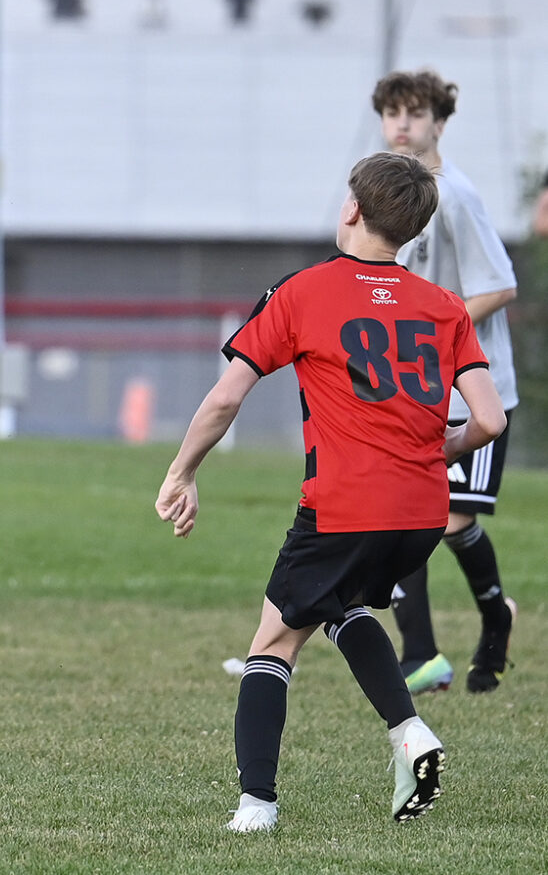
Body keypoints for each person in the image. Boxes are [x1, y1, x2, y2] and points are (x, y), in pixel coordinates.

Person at [155, 151, 505, 833]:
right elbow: (489, 420)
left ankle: (256, 805)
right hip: (421, 514)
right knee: (341, 605)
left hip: (345, 506)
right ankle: (407, 731)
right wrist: (441, 450)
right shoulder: (444, 307)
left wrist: (182, 471)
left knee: (271, 645)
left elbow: (226, 398)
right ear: (413, 231)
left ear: (352, 208)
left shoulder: (304, 291)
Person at [374, 69, 519, 694]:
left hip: (478, 392)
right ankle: (422, 657)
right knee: (402, 519)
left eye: (415, 113)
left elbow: (499, 285)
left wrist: (434, 331)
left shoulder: (452, 194)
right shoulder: (394, 194)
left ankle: (496, 620)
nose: (402, 124)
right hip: (421, 390)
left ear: (439, 122)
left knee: (454, 523)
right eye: (392, 113)